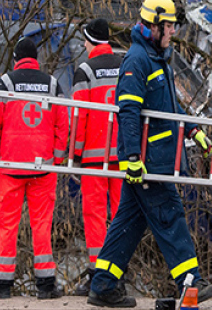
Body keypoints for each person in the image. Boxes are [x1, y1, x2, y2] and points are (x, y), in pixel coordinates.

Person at [88, 0, 212, 308]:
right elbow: (129, 112)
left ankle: (104, 284)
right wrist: (132, 158)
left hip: (156, 159)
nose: (174, 31)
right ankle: (190, 283)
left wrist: (193, 130)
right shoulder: (137, 60)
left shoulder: (158, 60)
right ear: (153, 27)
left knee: (129, 222)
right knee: (170, 215)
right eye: (170, 26)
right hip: (149, 163)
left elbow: (169, 107)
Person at [0, 38, 69, 300]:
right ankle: (45, 286)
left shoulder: (6, 82)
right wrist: (55, 156)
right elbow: (61, 124)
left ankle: (1, 286)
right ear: (36, 59)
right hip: (42, 167)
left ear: (16, 58)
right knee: (41, 225)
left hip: (9, 167)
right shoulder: (52, 84)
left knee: (7, 226)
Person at [70, 18, 123, 296]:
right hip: (125, 154)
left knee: (94, 214)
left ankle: (97, 273)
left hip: (94, 154)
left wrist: (75, 153)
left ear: (90, 41)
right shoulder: (125, 65)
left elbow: (80, 116)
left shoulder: (85, 71)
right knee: (121, 215)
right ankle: (118, 272)